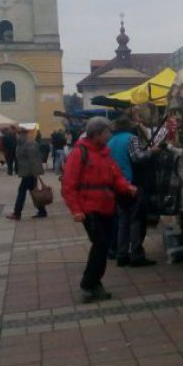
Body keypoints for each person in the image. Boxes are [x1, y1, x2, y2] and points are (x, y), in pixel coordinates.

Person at [62, 117, 137, 303]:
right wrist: (76, 210)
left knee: (103, 246)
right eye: (106, 132)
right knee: (101, 245)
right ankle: (89, 284)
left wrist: (126, 187)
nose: (109, 135)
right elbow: (68, 184)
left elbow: (115, 176)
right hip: (90, 209)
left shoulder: (104, 152)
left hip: (107, 206)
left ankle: (94, 283)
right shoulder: (79, 153)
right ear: (96, 134)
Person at [107, 117, 156, 267]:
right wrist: (152, 152)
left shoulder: (111, 141)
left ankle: (121, 254)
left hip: (117, 185)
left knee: (123, 220)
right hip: (133, 184)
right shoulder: (131, 138)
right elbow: (137, 157)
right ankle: (136, 254)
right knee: (136, 220)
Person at [6, 129, 44, 220]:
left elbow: (34, 160)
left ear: (21, 134)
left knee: (22, 191)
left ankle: (17, 213)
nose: (16, 136)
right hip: (26, 172)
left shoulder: (29, 144)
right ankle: (42, 210)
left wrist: (36, 173)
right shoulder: (21, 144)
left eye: (17, 134)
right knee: (33, 192)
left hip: (30, 173)